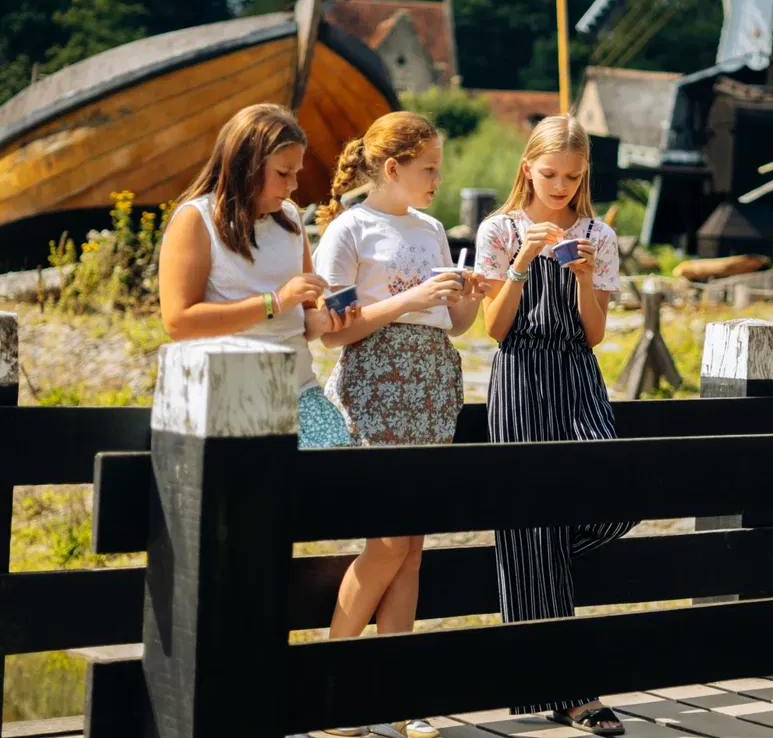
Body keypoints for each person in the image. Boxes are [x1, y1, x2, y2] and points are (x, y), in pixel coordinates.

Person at [311, 111, 482, 738]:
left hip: (434, 381)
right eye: (429, 167)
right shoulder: (349, 228)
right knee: (387, 542)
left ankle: (395, 697)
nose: (438, 178)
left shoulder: (434, 227)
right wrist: (409, 300)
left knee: (411, 548)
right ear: (393, 168)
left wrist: (470, 292)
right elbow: (334, 332)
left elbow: (455, 324)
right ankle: (331, 687)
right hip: (376, 385)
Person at [474, 114, 631, 736]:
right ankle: (573, 693)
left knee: (617, 495)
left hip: (576, 377)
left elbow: (594, 334)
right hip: (518, 377)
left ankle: (530, 556)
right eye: (549, 174)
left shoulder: (599, 233)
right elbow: (494, 328)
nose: (560, 185)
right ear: (527, 168)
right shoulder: (499, 228)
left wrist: (587, 280)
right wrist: (522, 260)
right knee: (530, 518)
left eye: (571, 175)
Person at [156, 103, 357, 450]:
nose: (294, 185)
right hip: (226, 395)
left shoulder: (291, 219)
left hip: (300, 390)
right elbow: (179, 322)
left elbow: (302, 319)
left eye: (296, 172)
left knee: (338, 479)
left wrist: (324, 320)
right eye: (283, 173)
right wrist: (275, 301)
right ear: (246, 164)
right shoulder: (195, 220)